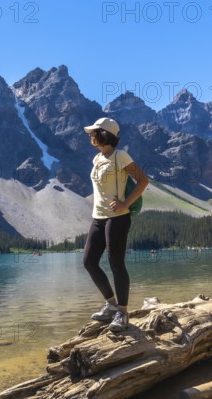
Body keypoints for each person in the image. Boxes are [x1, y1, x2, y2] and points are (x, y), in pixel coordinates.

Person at [82, 117, 148, 332]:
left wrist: (125, 203)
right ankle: (110, 304)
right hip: (98, 217)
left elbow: (143, 180)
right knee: (89, 262)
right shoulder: (97, 159)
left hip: (118, 216)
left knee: (116, 263)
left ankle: (122, 311)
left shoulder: (121, 156)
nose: (90, 136)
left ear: (103, 134)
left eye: (94, 132)